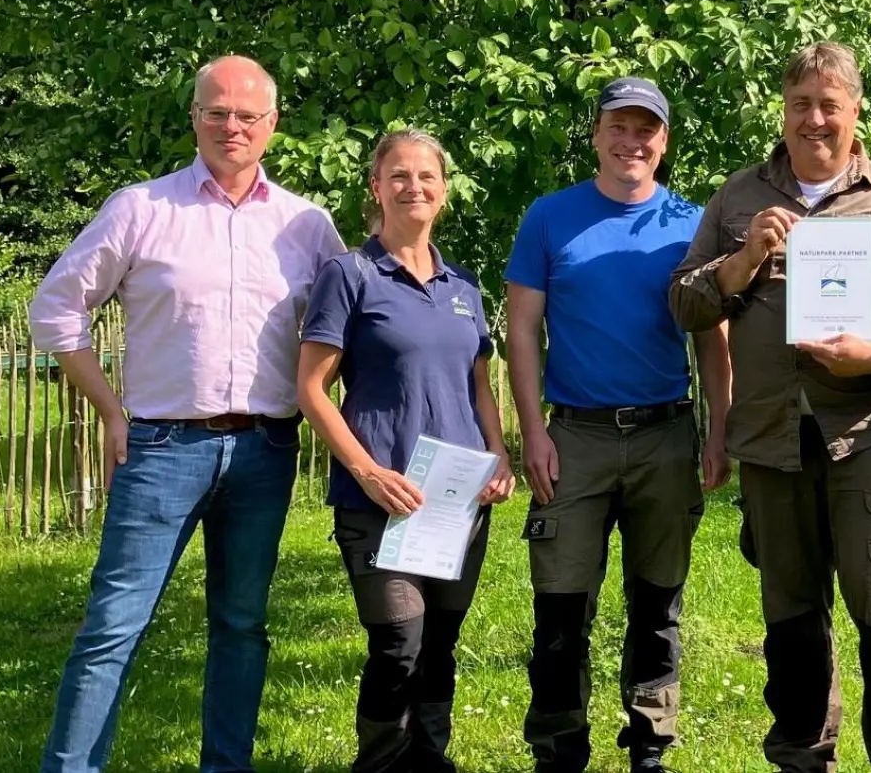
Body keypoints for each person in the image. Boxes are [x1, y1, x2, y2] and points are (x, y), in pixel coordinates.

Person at [28, 55, 346, 773]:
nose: (231, 126)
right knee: (114, 627)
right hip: (161, 448)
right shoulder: (141, 208)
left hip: (266, 452)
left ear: (272, 125)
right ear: (195, 117)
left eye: (247, 115)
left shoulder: (307, 225)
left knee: (241, 627)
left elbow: (348, 327)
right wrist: (109, 408)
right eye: (216, 111)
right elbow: (55, 310)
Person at [670, 41, 871, 773]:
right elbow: (684, 303)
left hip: (869, 432)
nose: (815, 119)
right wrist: (738, 265)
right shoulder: (738, 197)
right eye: (801, 103)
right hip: (771, 440)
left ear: (856, 110)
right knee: (791, 620)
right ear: (783, 109)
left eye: (830, 104)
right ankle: (801, 758)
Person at [505, 77, 731, 773]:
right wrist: (532, 431)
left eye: (647, 130)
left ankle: (650, 745)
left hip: (665, 436)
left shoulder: (693, 224)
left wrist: (719, 426)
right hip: (575, 437)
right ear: (597, 134)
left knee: (657, 603)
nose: (632, 142)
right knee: (561, 610)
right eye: (619, 127)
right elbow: (520, 327)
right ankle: (558, 746)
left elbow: (712, 338)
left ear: (663, 142)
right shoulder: (550, 217)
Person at [297, 128, 515, 773]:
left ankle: (430, 757)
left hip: (457, 497)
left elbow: (480, 383)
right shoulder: (350, 274)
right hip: (381, 498)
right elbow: (311, 389)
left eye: (426, 176)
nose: (413, 186)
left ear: (443, 192)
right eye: (398, 175)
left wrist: (499, 454)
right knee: (398, 642)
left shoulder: (464, 286)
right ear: (376, 187)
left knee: (441, 643)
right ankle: (381, 762)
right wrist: (365, 471)